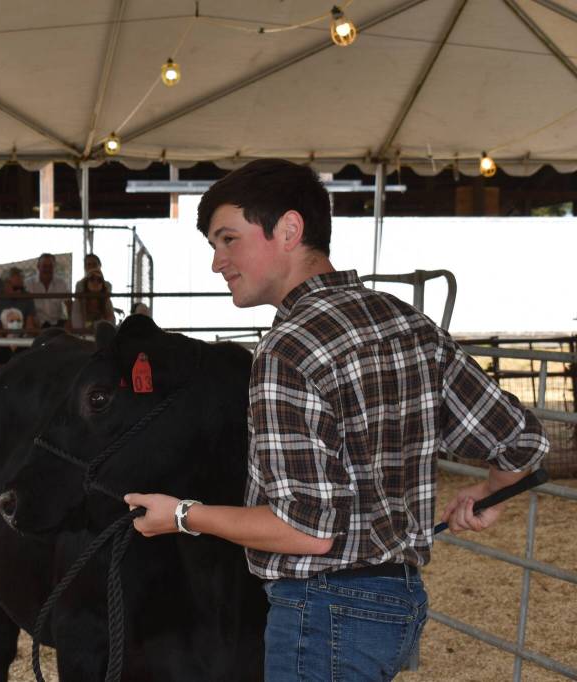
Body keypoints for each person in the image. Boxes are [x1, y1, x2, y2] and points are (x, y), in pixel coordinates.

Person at [124, 159, 549, 681]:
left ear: (289, 229)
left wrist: (184, 515)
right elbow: (521, 442)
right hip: (398, 604)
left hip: (324, 611)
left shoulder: (288, 347)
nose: (218, 262)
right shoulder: (404, 320)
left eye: (228, 239)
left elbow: (305, 530)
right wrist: (489, 493)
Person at [0, 267, 36, 369]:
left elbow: (30, 325)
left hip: (21, 341)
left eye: (22, 288)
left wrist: (21, 341)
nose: (19, 292)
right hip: (0, 341)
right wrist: (6, 342)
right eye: (16, 288)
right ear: (6, 284)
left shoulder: (27, 297)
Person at [24, 253, 68, 328]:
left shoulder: (61, 283)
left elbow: (68, 304)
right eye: (44, 266)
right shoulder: (28, 284)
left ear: (54, 267)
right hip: (36, 326)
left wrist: (69, 322)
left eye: (50, 266)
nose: (47, 269)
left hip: (57, 325)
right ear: (38, 267)